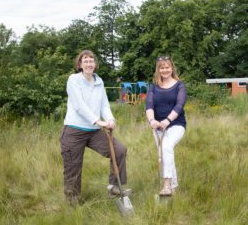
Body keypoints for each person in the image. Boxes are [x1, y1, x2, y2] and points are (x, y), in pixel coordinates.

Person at [60, 50, 131, 204]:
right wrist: (98, 121)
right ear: (80, 64)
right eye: (85, 61)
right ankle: (72, 201)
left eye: (91, 60)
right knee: (73, 167)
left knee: (119, 151)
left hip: (94, 132)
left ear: (95, 64)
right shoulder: (74, 80)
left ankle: (114, 188)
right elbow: (79, 105)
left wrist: (110, 119)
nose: (89, 63)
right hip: (74, 130)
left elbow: (104, 104)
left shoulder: (99, 81)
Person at [146, 56, 187, 196]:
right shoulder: (153, 87)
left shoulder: (179, 85)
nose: (165, 70)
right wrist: (152, 121)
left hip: (176, 124)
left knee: (167, 146)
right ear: (158, 70)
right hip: (157, 126)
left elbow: (179, 105)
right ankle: (173, 187)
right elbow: (149, 106)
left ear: (172, 68)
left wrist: (167, 121)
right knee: (165, 153)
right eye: (162, 67)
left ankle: (167, 185)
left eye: (167, 67)